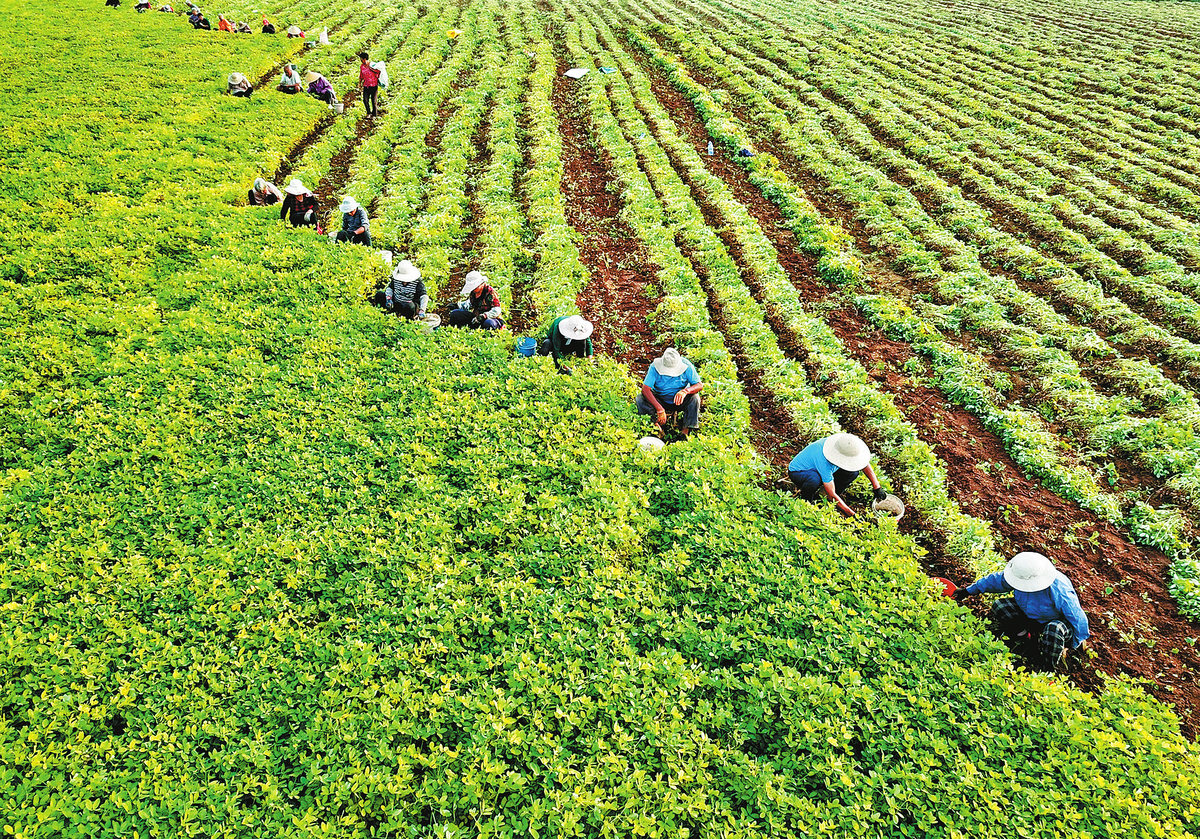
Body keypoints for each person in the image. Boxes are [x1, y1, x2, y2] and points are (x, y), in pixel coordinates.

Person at [955, 552, 1090, 672]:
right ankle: (1026, 638)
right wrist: (968, 591)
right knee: (1000, 607)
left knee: (1054, 629)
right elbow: (995, 581)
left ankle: (1047, 669)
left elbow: (1077, 618)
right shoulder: (1020, 575)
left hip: (1055, 622)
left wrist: (1072, 644)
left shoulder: (1058, 588)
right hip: (1029, 615)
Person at [788, 433, 886, 517]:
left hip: (818, 469)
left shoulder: (845, 444)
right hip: (799, 472)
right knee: (814, 480)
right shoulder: (824, 461)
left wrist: (877, 487)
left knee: (852, 472)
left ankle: (824, 496)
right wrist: (850, 513)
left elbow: (863, 463)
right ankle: (806, 501)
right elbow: (831, 494)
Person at [636, 348, 703, 439]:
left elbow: (699, 385)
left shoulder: (687, 366)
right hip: (660, 398)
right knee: (640, 399)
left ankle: (685, 432)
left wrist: (685, 391)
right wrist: (659, 409)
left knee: (695, 398)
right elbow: (645, 389)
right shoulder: (654, 367)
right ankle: (655, 427)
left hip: (679, 400)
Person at [358, 52, 381, 117]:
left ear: (364, 59)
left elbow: (379, 72)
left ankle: (374, 115)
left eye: (361, 59)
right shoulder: (362, 66)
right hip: (366, 85)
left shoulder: (372, 66)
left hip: (374, 85)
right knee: (365, 100)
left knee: (373, 101)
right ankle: (368, 113)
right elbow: (361, 75)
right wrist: (360, 83)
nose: (361, 60)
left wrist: (374, 72)